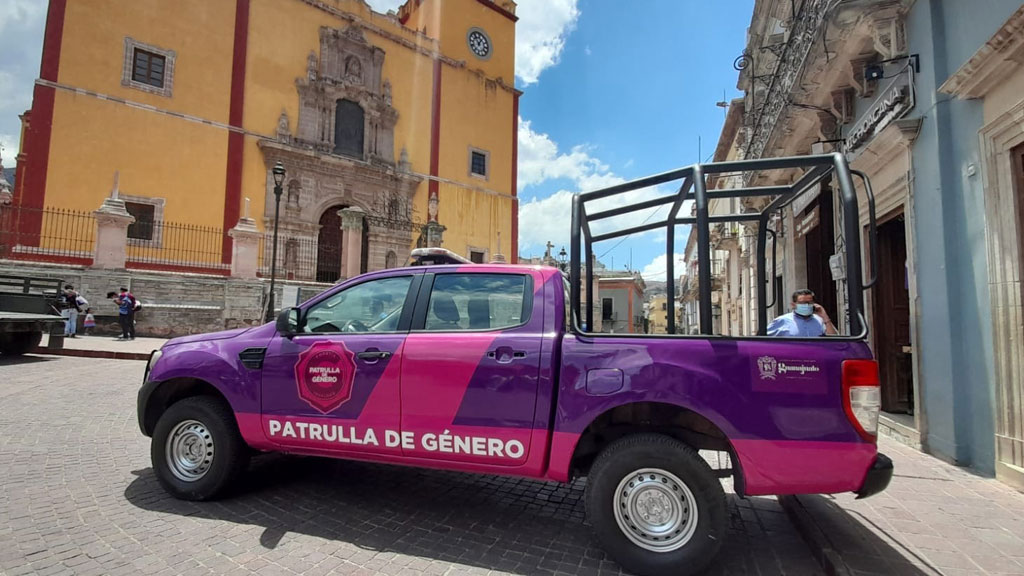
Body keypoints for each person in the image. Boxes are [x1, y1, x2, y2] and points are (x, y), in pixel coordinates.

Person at [767, 288, 837, 337]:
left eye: (809, 303)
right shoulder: (782, 321)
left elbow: (834, 340)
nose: (806, 305)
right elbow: (762, 340)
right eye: (802, 303)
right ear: (793, 305)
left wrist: (824, 316)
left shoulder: (820, 320)